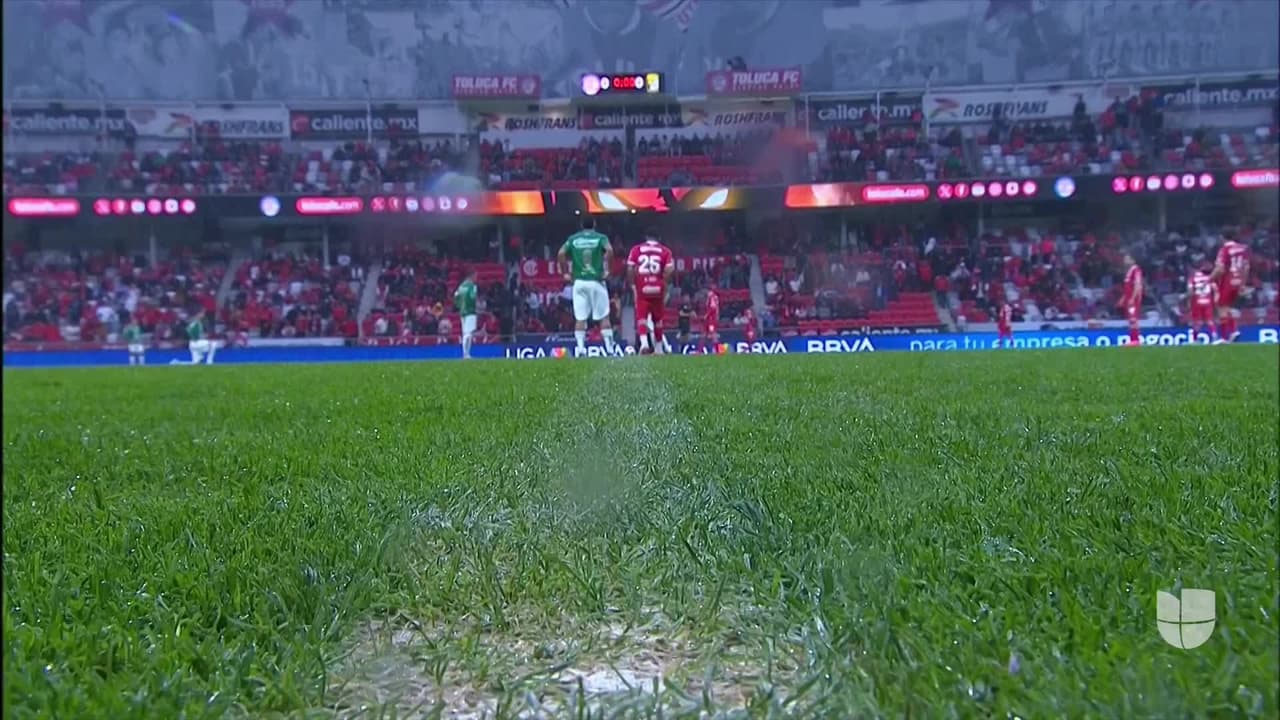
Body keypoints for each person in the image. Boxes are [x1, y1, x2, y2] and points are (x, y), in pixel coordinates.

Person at [558, 216, 616, 356]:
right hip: (596, 281)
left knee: (580, 317)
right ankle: (609, 349)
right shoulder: (601, 237)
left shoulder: (573, 239)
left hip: (579, 282)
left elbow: (561, 253)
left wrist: (565, 272)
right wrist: (609, 270)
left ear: (581, 225)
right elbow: (610, 250)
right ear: (594, 224)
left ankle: (581, 349)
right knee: (604, 317)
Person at [626, 228, 674, 354]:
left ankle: (644, 344)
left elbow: (630, 267)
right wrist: (664, 282)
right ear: (658, 238)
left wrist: (632, 284)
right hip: (657, 287)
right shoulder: (665, 251)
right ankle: (658, 348)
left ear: (646, 237)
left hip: (642, 287)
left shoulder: (636, 249)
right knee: (657, 319)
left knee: (641, 317)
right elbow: (670, 269)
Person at [1211, 230, 1250, 343]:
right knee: (1227, 308)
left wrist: (1209, 279)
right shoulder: (1243, 248)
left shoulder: (1224, 249)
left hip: (1227, 281)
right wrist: (1243, 283)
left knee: (1221, 307)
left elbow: (1220, 269)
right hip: (1238, 280)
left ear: (1222, 237)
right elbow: (1246, 267)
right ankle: (1233, 332)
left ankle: (1223, 337)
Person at [1186, 263, 1219, 342]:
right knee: (1210, 320)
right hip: (1207, 301)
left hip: (1197, 302)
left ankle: (1194, 340)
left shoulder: (1192, 279)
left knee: (1197, 322)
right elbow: (1215, 290)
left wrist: (1188, 301)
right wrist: (1215, 300)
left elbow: (1190, 292)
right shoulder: (1208, 277)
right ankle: (1215, 337)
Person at [1118, 252, 1144, 346]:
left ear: (1133, 260)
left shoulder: (1136, 270)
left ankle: (1135, 340)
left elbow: (1138, 285)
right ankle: (1133, 339)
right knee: (1130, 319)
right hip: (1129, 298)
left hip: (1134, 299)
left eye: (1127, 259)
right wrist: (1123, 298)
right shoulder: (1129, 271)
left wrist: (1133, 298)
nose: (1125, 260)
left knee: (1133, 319)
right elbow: (1128, 287)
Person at [453, 268, 478, 359]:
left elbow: (455, 298)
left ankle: (466, 353)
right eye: (475, 276)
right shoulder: (472, 286)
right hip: (470, 311)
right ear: (471, 276)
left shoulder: (461, 286)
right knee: (468, 333)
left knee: (465, 333)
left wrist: (459, 306)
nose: (476, 278)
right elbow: (472, 297)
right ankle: (466, 354)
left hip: (462, 312)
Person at [700, 287, 720, 353]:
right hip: (710, 319)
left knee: (713, 334)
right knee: (704, 334)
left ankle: (717, 351)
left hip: (711, 319)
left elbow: (713, 308)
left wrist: (706, 315)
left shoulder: (711, 297)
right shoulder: (714, 297)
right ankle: (700, 351)